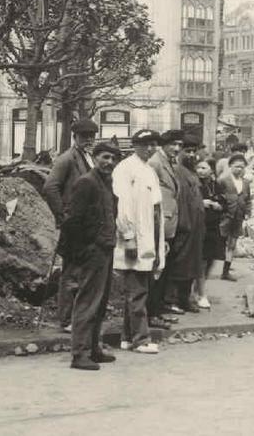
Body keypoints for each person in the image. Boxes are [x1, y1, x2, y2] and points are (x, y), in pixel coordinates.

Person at [59, 141, 121, 370]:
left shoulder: (107, 182)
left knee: (100, 302)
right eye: (105, 157)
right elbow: (73, 221)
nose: (109, 163)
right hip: (91, 251)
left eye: (113, 159)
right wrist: (81, 252)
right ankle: (80, 354)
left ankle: (94, 348)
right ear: (94, 158)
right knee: (87, 302)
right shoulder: (86, 183)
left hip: (105, 249)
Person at [42, 118, 99, 333]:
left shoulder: (91, 158)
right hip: (74, 224)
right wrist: (63, 215)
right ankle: (66, 319)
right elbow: (50, 187)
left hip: (89, 225)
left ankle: (80, 315)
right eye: (84, 137)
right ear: (75, 137)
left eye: (91, 136)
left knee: (85, 272)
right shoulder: (66, 159)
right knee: (71, 273)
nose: (88, 140)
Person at [112, 129, 165, 354]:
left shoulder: (149, 170)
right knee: (137, 291)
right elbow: (123, 207)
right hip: (135, 236)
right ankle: (140, 339)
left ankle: (127, 336)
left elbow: (155, 207)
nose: (151, 149)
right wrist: (129, 237)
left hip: (149, 234)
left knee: (138, 288)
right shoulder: (125, 169)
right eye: (145, 145)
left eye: (154, 144)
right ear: (135, 145)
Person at [148, 130, 185, 326]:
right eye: (173, 144)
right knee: (156, 270)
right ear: (164, 145)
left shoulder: (169, 162)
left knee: (164, 269)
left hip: (168, 223)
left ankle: (158, 309)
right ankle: (152, 313)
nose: (177, 149)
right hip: (159, 223)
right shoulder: (155, 162)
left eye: (179, 145)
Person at [168, 135, 206, 313]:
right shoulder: (177, 171)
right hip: (185, 226)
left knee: (192, 264)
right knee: (181, 264)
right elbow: (180, 201)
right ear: (180, 152)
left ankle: (185, 298)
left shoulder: (192, 172)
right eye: (187, 151)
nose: (191, 155)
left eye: (193, 151)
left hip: (196, 226)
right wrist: (184, 226)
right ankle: (175, 300)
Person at [217, 154, 252, 281]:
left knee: (232, 244)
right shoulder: (223, 180)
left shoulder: (246, 183)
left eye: (242, 167)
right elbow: (217, 196)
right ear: (230, 166)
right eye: (237, 167)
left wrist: (248, 212)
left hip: (238, 217)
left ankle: (225, 272)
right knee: (218, 241)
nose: (239, 169)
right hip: (224, 216)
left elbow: (248, 199)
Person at [194, 158, 223, 309]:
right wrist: (202, 203)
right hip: (199, 226)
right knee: (201, 261)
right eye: (198, 167)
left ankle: (198, 289)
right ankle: (201, 293)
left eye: (204, 168)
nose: (200, 171)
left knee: (211, 260)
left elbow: (223, 201)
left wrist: (218, 205)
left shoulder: (215, 185)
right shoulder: (194, 184)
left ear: (211, 170)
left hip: (213, 227)